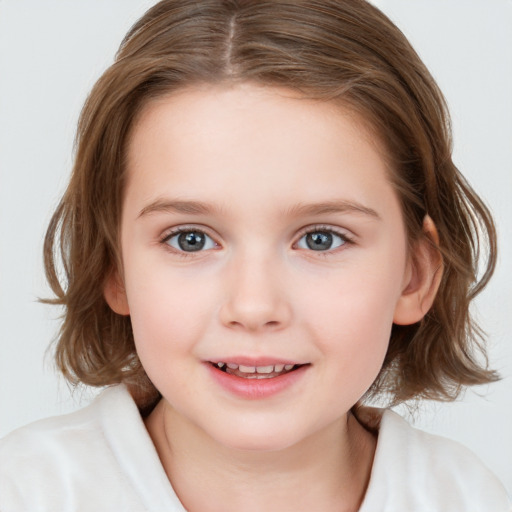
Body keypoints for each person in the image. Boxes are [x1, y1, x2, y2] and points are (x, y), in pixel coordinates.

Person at [0, 0, 510, 510]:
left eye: (321, 239)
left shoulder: (465, 498)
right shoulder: (26, 491)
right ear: (115, 267)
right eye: (190, 239)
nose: (254, 307)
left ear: (414, 276)